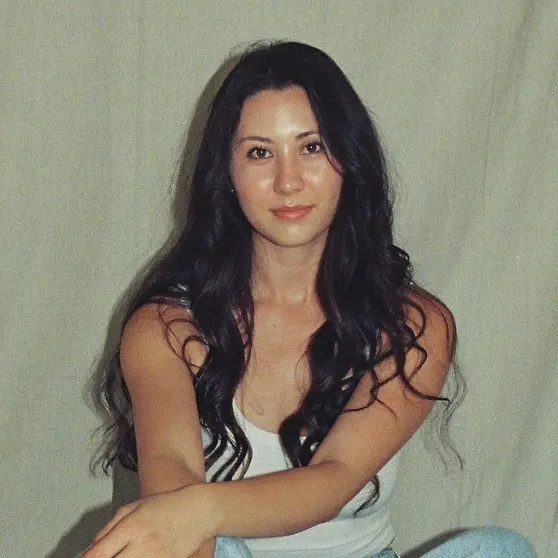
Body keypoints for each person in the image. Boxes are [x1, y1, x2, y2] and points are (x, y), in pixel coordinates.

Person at [86, 42, 536, 558]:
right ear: (226, 174)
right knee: (214, 538)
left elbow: (335, 476)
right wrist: (191, 517)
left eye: (312, 147)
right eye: (260, 153)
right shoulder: (166, 328)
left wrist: (198, 510)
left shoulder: (411, 324)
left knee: (501, 550)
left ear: (350, 160)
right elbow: (173, 484)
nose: (288, 182)